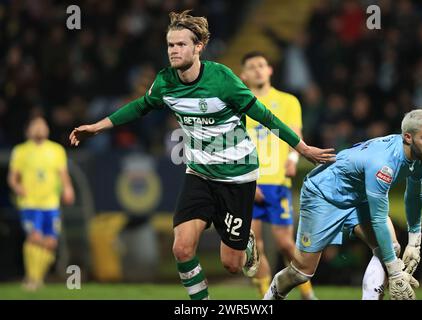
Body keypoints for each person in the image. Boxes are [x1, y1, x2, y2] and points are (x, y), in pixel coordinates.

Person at [69, 10, 335, 300]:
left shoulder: (222, 79)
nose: (173, 50)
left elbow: (266, 116)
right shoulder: (165, 82)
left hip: (237, 176)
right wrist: (98, 126)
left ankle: (244, 243)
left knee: (231, 265)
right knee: (181, 248)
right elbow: (140, 106)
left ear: (198, 47)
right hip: (199, 173)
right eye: (170, 45)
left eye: (181, 44)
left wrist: (303, 148)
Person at [263, 109, 422, 300]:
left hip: (358, 195)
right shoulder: (384, 164)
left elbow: (414, 196)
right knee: (301, 273)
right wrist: (395, 273)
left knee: (389, 248)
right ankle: (271, 297)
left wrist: (415, 241)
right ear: (407, 137)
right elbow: (378, 218)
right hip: (324, 194)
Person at [240, 51, 317, 300]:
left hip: (277, 182)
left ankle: (307, 294)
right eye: (252, 67)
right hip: (248, 182)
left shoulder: (288, 101)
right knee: (253, 246)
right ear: (243, 75)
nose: (258, 70)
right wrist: (247, 178)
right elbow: (234, 144)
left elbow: (295, 133)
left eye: (262, 65)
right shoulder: (238, 104)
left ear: (270, 70)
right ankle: (266, 298)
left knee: (285, 243)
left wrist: (293, 159)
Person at [8, 116, 75, 291]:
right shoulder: (20, 151)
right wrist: (17, 187)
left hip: (51, 203)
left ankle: (37, 278)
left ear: (47, 129)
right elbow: (12, 177)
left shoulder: (57, 150)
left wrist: (68, 189)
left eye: (42, 125)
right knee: (35, 238)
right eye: (35, 125)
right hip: (30, 202)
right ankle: (32, 279)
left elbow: (63, 174)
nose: (39, 128)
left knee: (50, 242)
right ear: (28, 130)